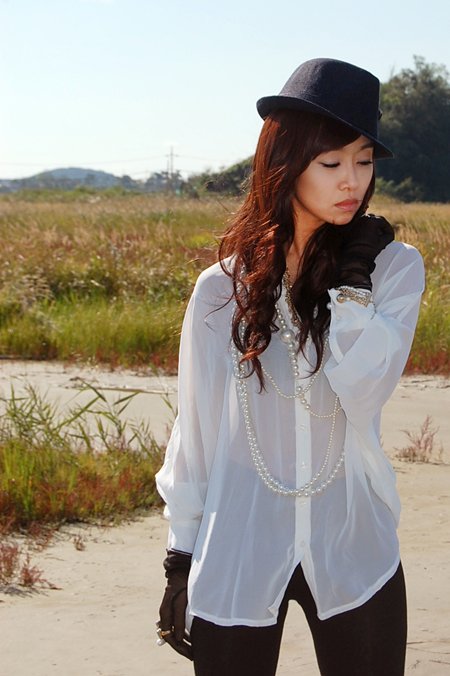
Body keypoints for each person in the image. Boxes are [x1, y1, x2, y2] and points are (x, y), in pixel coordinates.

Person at [155, 58, 425, 675]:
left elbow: (366, 388)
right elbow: (196, 432)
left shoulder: (393, 268)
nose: (352, 181)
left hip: (355, 543)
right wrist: (179, 556)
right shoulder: (219, 289)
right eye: (331, 163)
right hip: (239, 544)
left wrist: (352, 286)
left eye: (364, 161)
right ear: (287, 162)